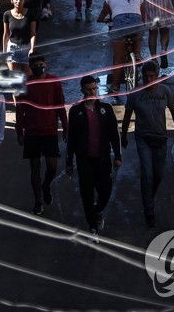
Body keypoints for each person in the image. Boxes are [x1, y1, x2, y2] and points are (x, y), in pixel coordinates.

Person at [120, 62, 174, 228]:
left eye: (152, 76)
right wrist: (124, 135)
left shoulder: (165, 92)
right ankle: (149, 209)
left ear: (157, 76)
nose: (149, 80)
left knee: (158, 175)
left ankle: (150, 196)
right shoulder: (135, 95)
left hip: (161, 138)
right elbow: (127, 114)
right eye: (146, 77)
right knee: (147, 174)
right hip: (143, 138)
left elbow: (173, 111)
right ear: (142, 76)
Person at [65, 75, 122, 235]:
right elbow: (72, 139)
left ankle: (97, 211)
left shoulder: (106, 109)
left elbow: (113, 134)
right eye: (89, 89)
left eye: (94, 88)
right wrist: (69, 161)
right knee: (87, 195)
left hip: (103, 158)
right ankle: (92, 227)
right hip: (85, 160)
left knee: (106, 191)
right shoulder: (76, 111)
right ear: (82, 90)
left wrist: (118, 156)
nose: (92, 92)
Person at [15, 55, 68, 215]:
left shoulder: (54, 81)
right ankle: (38, 201)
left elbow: (60, 104)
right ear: (31, 66)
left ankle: (46, 185)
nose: (39, 67)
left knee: (52, 167)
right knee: (35, 167)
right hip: (32, 132)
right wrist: (19, 131)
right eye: (36, 65)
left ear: (45, 64)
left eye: (41, 64)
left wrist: (65, 127)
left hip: (50, 131)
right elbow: (20, 109)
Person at [96, 0, 146, 93]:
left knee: (118, 58)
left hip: (119, 27)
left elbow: (104, 12)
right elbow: (143, 15)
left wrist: (101, 20)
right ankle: (137, 55)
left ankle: (115, 86)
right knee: (137, 36)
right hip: (136, 25)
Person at [3, 0, 37, 77]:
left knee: (29, 75)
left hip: (26, 48)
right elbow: (6, 34)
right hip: (12, 48)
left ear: (24, 0)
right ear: (12, 0)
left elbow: (33, 33)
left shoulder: (30, 14)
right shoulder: (7, 15)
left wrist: (32, 48)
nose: (18, 1)